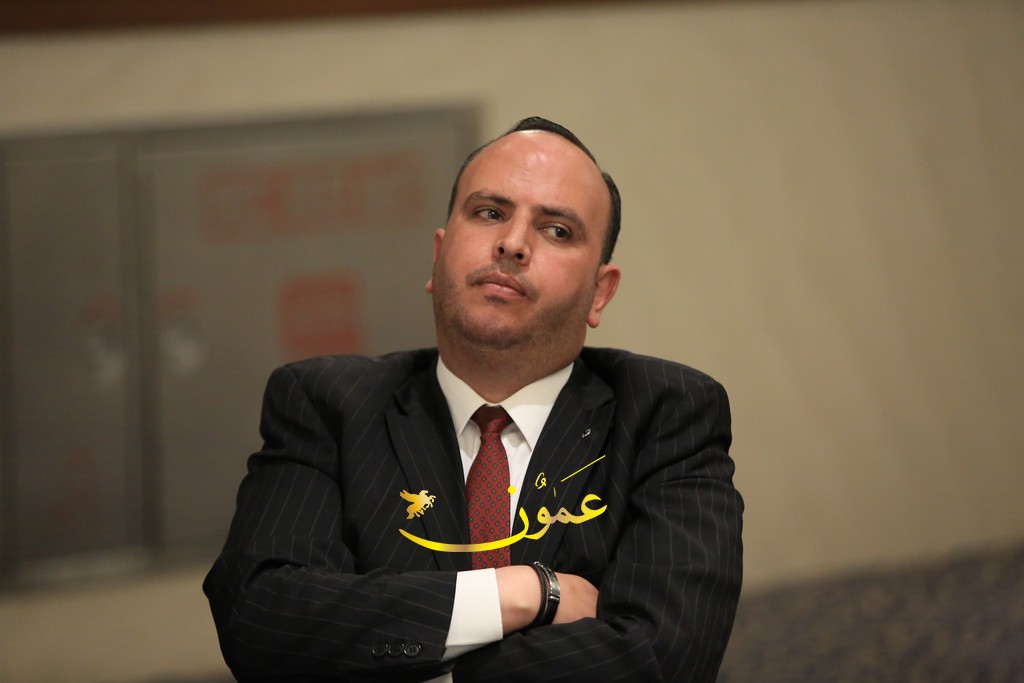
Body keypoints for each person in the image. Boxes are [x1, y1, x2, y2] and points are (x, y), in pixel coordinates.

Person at [204, 116, 743, 682]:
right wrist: (527, 591)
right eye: (489, 213)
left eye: (557, 230)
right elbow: (261, 619)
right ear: (438, 256)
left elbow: (660, 661)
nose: (512, 243)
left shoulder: (667, 413)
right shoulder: (325, 404)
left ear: (599, 293)